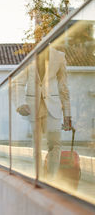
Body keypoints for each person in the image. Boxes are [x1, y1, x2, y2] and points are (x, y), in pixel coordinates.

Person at [14, 46, 72, 179]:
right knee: (37, 145)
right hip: (33, 107)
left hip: (53, 107)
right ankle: (39, 178)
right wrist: (20, 104)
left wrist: (67, 114)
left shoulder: (59, 56)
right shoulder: (29, 57)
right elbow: (19, 83)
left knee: (55, 144)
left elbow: (63, 87)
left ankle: (51, 178)